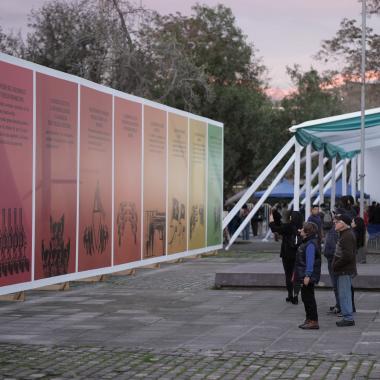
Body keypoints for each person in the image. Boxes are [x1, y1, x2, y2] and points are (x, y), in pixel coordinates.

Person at [269, 210, 303, 305]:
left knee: (288, 275)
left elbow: (274, 228)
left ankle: (290, 295)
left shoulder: (288, 226)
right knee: (296, 275)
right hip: (298, 254)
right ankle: (296, 295)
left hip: (287, 254)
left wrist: (271, 220)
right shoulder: (301, 227)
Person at [295, 222, 321, 330]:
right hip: (304, 275)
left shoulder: (310, 244)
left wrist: (307, 275)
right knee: (306, 298)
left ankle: (313, 321)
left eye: (302, 229)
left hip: (307, 276)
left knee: (309, 298)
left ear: (307, 232)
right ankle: (309, 319)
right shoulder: (308, 242)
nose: (300, 230)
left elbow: (310, 262)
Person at [332, 214, 357, 327]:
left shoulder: (346, 236)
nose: (334, 223)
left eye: (336, 221)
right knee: (344, 293)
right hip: (343, 270)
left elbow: (348, 256)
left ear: (343, 224)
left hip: (344, 270)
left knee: (344, 294)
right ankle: (347, 316)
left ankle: (348, 318)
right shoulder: (344, 234)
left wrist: (336, 265)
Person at [324, 216, 340, 314]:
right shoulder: (332, 231)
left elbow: (334, 249)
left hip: (333, 261)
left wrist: (327, 254)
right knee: (336, 285)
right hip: (332, 260)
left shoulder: (333, 232)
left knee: (336, 285)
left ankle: (339, 305)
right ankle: (339, 304)